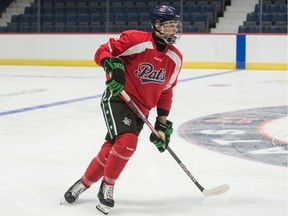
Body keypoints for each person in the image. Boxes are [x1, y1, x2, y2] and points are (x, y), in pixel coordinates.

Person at [62, 5, 183, 215]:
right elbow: (102, 51)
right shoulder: (137, 40)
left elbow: (166, 92)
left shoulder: (175, 58)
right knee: (127, 142)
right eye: (169, 25)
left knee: (111, 150)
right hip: (118, 98)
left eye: (175, 25)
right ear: (156, 25)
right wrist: (112, 66)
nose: (174, 30)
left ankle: (82, 183)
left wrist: (161, 124)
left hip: (141, 110)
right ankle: (107, 188)